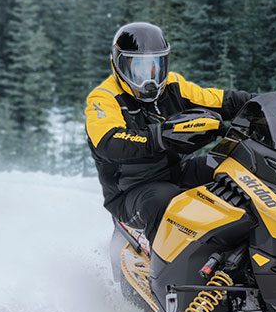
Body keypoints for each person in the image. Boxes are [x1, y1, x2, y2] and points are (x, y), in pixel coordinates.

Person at [84, 22, 252, 241]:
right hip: (132, 190)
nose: (149, 78)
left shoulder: (173, 85)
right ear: (119, 65)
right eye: (138, 68)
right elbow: (109, 142)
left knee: (235, 168)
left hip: (177, 171)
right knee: (166, 201)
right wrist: (159, 137)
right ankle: (164, 262)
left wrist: (265, 104)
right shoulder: (104, 98)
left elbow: (222, 100)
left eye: (155, 66)